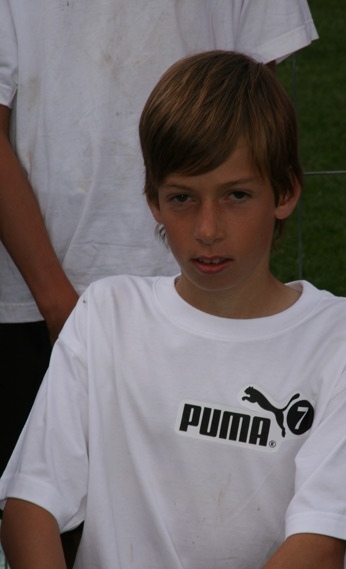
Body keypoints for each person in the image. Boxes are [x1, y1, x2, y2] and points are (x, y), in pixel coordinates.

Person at [0, 51, 346, 569]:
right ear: (152, 200)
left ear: (285, 192)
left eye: (236, 196)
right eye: (182, 198)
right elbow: (28, 508)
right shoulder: (106, 315)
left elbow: (322, 549)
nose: (208, 229)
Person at [0, 0, 319, 476]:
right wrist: (60, 308)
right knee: (53, 489)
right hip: (39, 297)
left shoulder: (345, 341)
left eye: (236, 195)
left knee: (212, 483)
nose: (210, 228)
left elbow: (256, 109)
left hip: (210, 295)